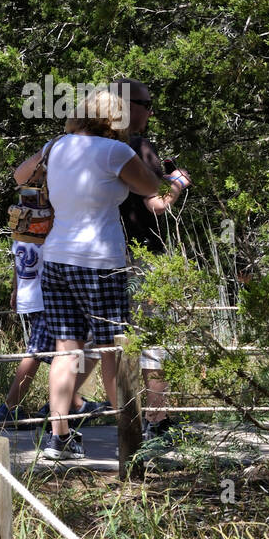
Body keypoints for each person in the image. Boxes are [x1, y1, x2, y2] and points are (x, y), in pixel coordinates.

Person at [13, 87, 162, 460]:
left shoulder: (55, 147)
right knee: (114, 349)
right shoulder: (115, 151)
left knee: (66, 350)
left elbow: (19, 176)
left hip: (57, 258)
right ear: (115, 118)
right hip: (101, 261)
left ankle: (59, 437)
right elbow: (151, 187)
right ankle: (130, 432)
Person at [114, 79, 193, 443]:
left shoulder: (99, 148)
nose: (150, 110)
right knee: (154, 338)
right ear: (126, 106)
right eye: (146, 103)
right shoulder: (138, 149)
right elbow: (157, 204)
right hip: (145, 255)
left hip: (112, 254)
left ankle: (127, 419)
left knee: (117, 340)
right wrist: (176, 181)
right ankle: (156, 419)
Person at [0, 238, 108, 428]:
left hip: (29, 292)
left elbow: (17, 260)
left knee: (69, 348)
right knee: (43, 350)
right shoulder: (49, 223)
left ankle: (71, 401)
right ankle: (9, 407)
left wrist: (15, 289)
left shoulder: (22, 223)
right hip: (46, 294)